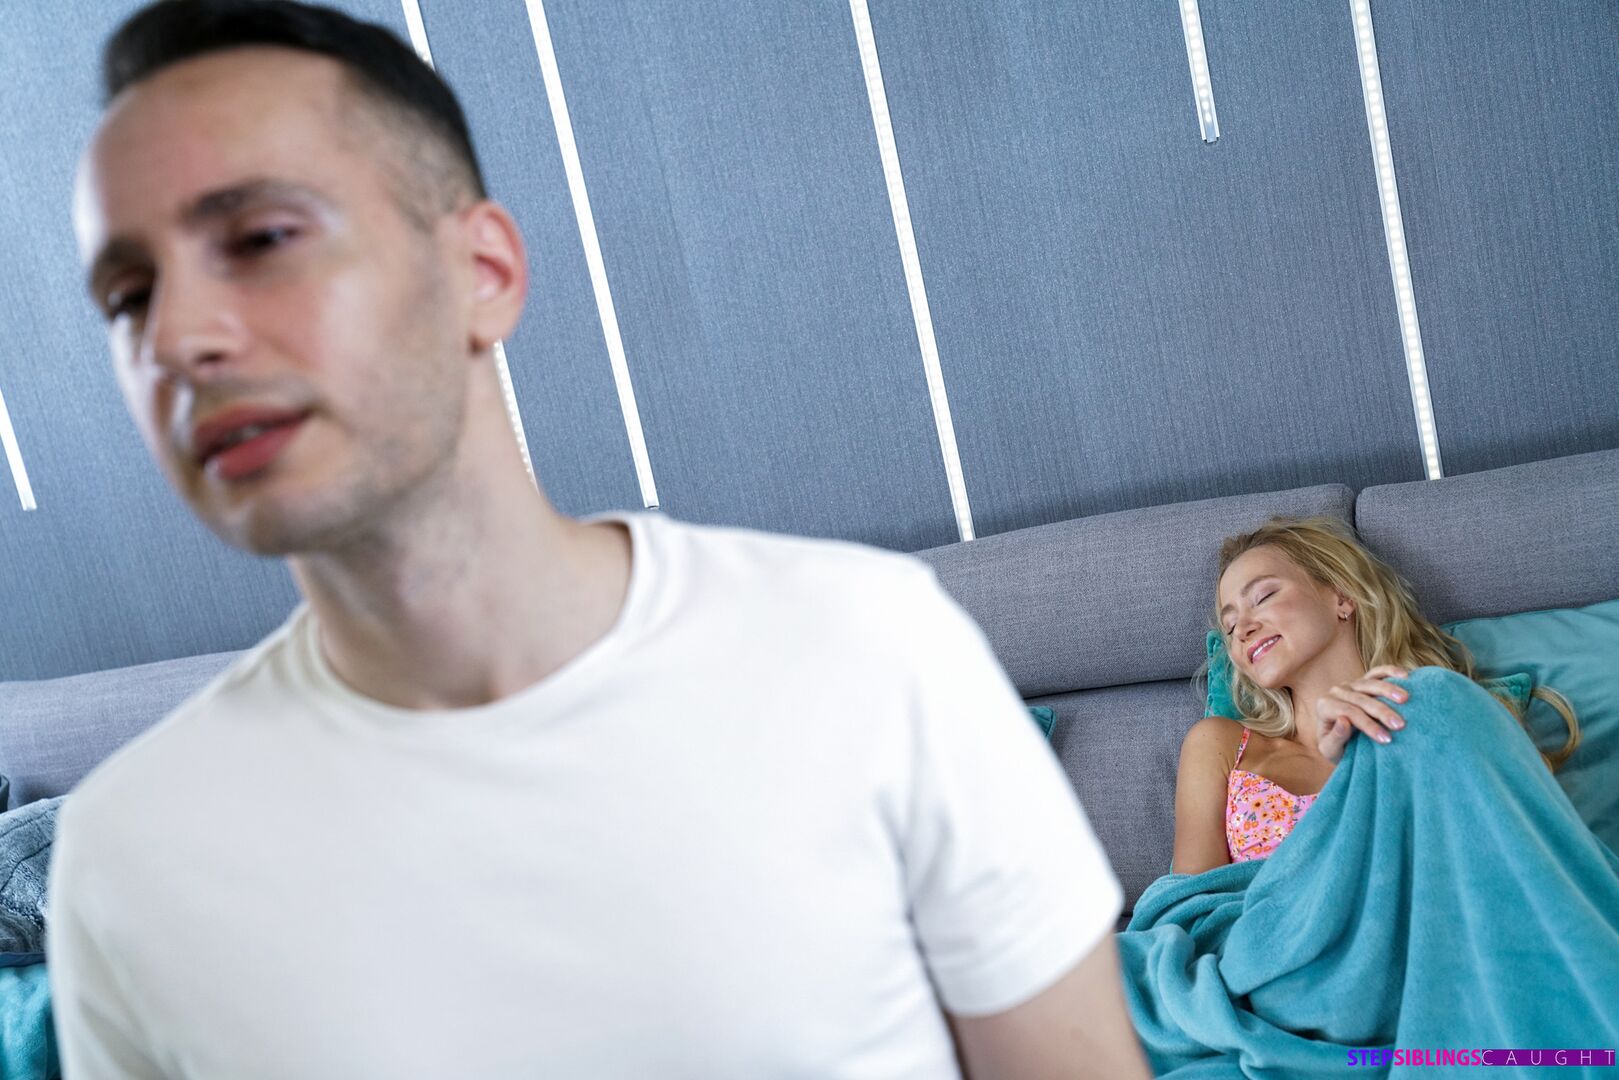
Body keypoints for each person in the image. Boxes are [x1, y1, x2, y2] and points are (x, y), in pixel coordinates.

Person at [47, 2, 1152, 1077]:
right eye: (129, 296)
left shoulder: (869, 644)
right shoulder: (126, 861)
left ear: (481, 273)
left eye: (261, 240)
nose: (177, 338)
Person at [1171, 515, 1580, 875]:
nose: (1242, 629)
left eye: (1263, 597)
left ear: (1342, 596)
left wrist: (1357, 768)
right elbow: (1187, 909)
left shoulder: (1440, 714)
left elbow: (1496, 859)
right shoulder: (1221, 745)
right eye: (1230, 627)